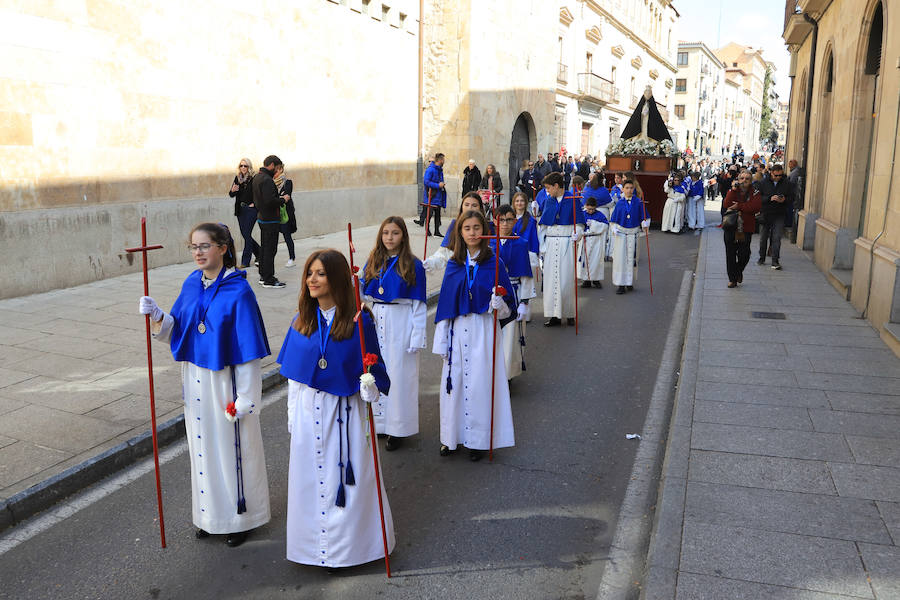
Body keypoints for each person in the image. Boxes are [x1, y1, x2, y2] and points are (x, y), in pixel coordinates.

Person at [139, 222, 271, 547]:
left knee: (231, 451)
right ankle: (210, 517)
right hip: (195, 379)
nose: (198, 253)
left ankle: (241, 518)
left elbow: (248, 353)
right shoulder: (191, 284)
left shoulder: (239, 291)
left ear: (223, 248)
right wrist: (157, 315)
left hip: (224, 383)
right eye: (193, 247)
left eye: (204, 246)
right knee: (202, 451)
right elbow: (178, 329)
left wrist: (245, 399)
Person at [277, 249, 394, 568]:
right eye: (309, 273)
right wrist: (292, 418)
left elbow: (375, 376)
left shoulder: (360, 321)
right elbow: (294, 377)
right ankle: (312, 550)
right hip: (306, 412)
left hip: (342, 414)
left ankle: (351, 551)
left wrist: (369, 387)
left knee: (347, 483)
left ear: (338, 278)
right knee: (309, 483)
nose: (312, 279)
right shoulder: (301, 319)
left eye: (321, 274)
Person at [433, 211, 516, 461]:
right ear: (460, 232)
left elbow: (508, 310)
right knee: (453, 385)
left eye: (477, 227)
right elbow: (445, 306)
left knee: (480, 385)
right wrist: (442, 342)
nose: (472, 232)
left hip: (483, 330)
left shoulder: (495, 262)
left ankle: (478, 440)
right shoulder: (454, 265)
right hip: (457, 331)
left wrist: (499, 302)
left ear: (484, 230)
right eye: (466, 228)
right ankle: (451, 437)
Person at [362, 217, 427, 451]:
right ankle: (380, 424)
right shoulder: (373, 260)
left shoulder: (413, 264)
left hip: (402, 321)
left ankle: (398, 429)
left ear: (404, 236)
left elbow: (419, 305)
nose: (389, 237)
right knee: (376, 370)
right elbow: (363, 291)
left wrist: (417, 335)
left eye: (395, 233)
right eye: (386, 233)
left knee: (399, 376)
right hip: (377, 317)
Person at [491, 205, 534, 379]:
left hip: (514, 294)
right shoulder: (488, 242)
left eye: (509, 220)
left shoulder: (521, 244)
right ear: (495, 221)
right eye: (501, 220)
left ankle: (506, 376)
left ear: (515, 221)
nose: (505, 224)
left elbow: (526, 276)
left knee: (509, 337)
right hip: (493, 296)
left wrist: (524, 303)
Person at [538, 172, 585, 326]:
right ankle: (553, 315)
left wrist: (576, 235)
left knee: (566, 280)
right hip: (551, 245)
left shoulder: (572, 199)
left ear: (556, 186)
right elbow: (543, 227)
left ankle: (569, 313)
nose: (547, 191)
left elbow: (579, 224)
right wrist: (543, 247)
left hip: (566, 243)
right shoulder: (548, 201)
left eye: (548, 188)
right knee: (551, 281)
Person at [422, 192, 492, 272]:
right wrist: (430, 263)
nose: (470, 208)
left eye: (474, 205)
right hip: (460, 269)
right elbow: (444, 253)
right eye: (466, 205)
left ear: (480, 208)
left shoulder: (489, 227)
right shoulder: (454, 225)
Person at [722, 170, 762, 287]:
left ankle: (738, 271)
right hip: (731, 226)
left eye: (747, 179)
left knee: (744, 254)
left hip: (746, 227)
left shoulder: (755, 192)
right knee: (730, 253)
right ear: (738, 179)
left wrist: (739, 206)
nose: (744, 181)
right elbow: (726, 204)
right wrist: (732, 191)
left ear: (751, 181)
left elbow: (755, 207)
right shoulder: (733, 191)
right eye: (742, 178)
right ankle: (732, 279)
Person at [609, 179, 650, 294]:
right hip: (621, 235)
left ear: (634, 189)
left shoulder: (638, 202)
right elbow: (613, 221)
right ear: (623, 189)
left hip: (633, 234)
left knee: (632, 259)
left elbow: (645, 217)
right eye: (627, 188)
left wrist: (645, 224)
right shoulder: (620, 204)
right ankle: (621, 284)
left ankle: (629, 282)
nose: (629, 190)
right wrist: (614, 228)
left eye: (631, 188)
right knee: (620, 260)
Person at [252, 155, 287, 288]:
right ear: (271, 165)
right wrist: (283, 199)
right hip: (270, 219)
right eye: (277, 168)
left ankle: (263, 275)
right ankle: (268, 279)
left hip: (263, 218)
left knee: (265, 249)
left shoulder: (257, 177)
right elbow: (270, 201)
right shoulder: (267, 180)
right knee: (270, 250)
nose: (277, 171)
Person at [757, 164, 793, 270]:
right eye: (776, 175)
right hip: (766, 213)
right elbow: (758, 197)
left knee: (777, 237)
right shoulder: (763, 182)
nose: (778, 177)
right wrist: (769, 198)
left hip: (779, 213)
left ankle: (775, 261)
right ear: (771, 173)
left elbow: (792, 197)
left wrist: (784, 200)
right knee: (763, 237)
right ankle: (762, 257)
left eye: (780, 175)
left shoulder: (786, 183)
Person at [230, 159, 260, 269]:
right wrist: (233, 191)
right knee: (245, 235)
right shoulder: (237, 178)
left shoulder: (254, 178)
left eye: (245, 166)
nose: (243, 167)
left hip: (251, 210)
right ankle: (260, 253)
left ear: (249, 167)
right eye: (241, 165)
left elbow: (259, 193)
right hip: (240, 210)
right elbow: (231, 194)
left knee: (247, 235)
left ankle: (245, 261)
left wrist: (255, 204)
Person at [579, 196, 608, 288]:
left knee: (596, 260)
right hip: (585, 239)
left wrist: (594, 224)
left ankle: (596, 279)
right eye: (589, 209)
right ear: (586, 206)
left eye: (592, 209)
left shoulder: (600, 215)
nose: (590, 211)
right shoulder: (582, 214)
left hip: (596, 240)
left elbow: (605, 226)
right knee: (585, 260)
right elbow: (578, 225)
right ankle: (586, 280)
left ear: (595, 207)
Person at [416, 153, 446, 237]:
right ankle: (427, 230)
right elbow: (426, 182)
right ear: (439, 160)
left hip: (438, 196)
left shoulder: (440, 170)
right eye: (443, 159)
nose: (444, 161)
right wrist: (438, 185)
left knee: (437, 215)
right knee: (429, 215)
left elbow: (440, 180)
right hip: (431, 196)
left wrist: (442, 184)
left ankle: (437, 231)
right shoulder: (430, 170)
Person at [274, 163, 297, 268]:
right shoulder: (271, 183)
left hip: (285, 214)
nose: (277, 172)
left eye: (279, 170)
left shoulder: (287, 182)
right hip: (273, 214)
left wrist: (278, 198)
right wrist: (280, 197)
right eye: (275, 170)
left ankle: (292, 258)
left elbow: (286, 196)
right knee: (273, 238)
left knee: (287, 236)